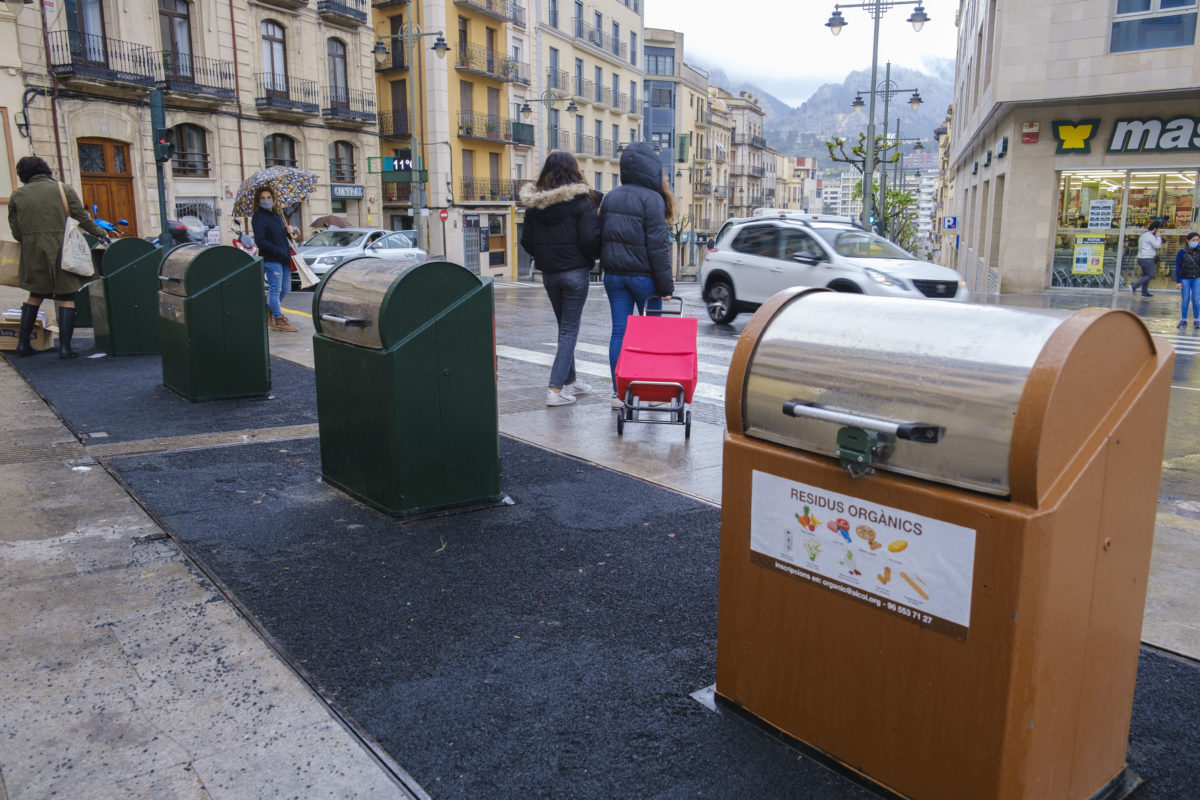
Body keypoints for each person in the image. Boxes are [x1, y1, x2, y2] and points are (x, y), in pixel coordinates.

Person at [519, 151, 601, 407]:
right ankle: (555, 388)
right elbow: (590, 240)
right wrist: (590, 257)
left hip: (550, 275)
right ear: (574, 171)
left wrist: (546, 256)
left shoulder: (535, 207)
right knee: (569, 329)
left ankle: (572, 381)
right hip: (575, 272)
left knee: (565, 328)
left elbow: (526, 241)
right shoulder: (582, 202)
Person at [7, 155, 110, 358]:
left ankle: (22, 345)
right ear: (45, 169)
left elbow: (16, 230)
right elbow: (82, 217)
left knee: (35, 294)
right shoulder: (63, 189)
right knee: (66, 295)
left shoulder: (17, 195)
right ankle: (65, 348)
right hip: (63, 249)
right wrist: (101, 233)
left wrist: (30, 240)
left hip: (33, 251)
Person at [599, 140, 674, 409]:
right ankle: (651, 393)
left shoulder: (611, 197)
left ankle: (618, 394)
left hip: (614, 276)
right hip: (645, 279)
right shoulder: (652, 199)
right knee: (650, 333)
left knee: (619, 332)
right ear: (650, 170)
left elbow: (601, 236)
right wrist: (666, 287)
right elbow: (658, 246)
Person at [251, 186, 298, 332]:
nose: (266, 201)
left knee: (286, 288)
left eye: (268, 197)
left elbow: (284, 236)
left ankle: (268, 311)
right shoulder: (258, 217)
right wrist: (277, 251)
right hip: (272, 259)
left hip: (284, 258)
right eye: (263, 198)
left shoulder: (277, 216)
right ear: (258, 201)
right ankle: (278, 319)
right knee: (275, 289)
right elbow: (260, 240)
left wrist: (290, 230)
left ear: (273, 198)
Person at [1176, 231, 1200, 329]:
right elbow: (1178, 267)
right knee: (1185, 299)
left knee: (1196, 299)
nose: (1196, 242)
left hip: (1197, 278)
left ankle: (1196, 320)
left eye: (1197, 240)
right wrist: (1178, 281)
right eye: (1193, 240)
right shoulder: (1181, 252)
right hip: (1185, 278)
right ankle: (1184, 320)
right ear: (1188, 241)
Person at [1132, 221, 1162, 297]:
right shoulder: (1150, 236)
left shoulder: (1144, 235)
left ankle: (1144, 292)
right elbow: (1157, 245)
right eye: (1157, 230)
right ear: (1155, 229)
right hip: (1147, 258)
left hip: (1141, 257)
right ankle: (1135, 285)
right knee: (1151, 275)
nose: (1158, 232)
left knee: (1146, 275)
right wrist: (1158, 237)